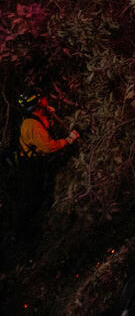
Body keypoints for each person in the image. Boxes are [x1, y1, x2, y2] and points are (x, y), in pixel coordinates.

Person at [7, 90, 80, 261]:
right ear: (37, 104)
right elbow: (48, 146)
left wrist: (49, 115)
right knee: (30, 199)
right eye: (43, 100)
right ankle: (20, 237)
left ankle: (23, 232)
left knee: (33, 197)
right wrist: (68, 140)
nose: (46, 100)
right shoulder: (32, 125)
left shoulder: (33, 120)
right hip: (31, 167)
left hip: (31, 164)